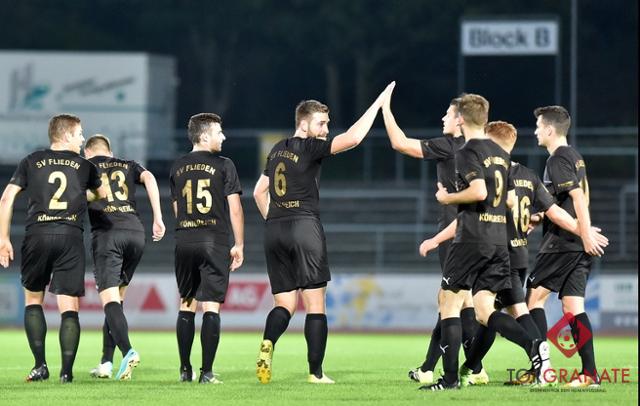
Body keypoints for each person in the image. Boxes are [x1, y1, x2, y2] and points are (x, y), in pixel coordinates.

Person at [419, 121, 607, 386]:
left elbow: (469, 218)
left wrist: (435, 239)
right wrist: (582, 230)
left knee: (488, 311)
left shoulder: (491, 174)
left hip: (496, 252)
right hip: (520, 254)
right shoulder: (529, 175)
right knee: (514, 310)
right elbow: (553, 212)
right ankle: (475, 368)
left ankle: (535, 355)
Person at [252, 82, 395, 384]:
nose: (326, 130)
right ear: (303, 124)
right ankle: (315, 373)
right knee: (315, 305)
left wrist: (273, 219)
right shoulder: (309, 147)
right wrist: (379, 103)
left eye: (327, 124)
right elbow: (353, 138)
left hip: (274, 230)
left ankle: (267, 344)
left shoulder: (276, 150)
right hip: (304, 226)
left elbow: (258, 192)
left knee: (284, 305)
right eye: (321, 123)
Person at [418, 94, 551, 391]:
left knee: (449, 303)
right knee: (483, 310)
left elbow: (478, 192)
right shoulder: (501, 154)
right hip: (498, 241)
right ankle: (533, 346)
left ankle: (449, 379)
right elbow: (509, 200)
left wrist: (447, 198)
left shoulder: (467, 151)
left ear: (461, 119)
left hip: (471, 238)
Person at [382, 89, 484, 385]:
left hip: (455, 233)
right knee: (462, 301)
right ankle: (462, 368)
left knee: (451, 301)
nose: (442, 118)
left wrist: (386, 109)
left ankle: (460, 369)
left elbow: (400, 144)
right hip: (481, 232)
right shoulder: (483, 148)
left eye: (448, 114)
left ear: (460, 120)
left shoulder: (450, 146)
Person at [0, 114, 104, 383]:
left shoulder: (31, 161)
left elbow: (7, 198)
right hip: (70, 236)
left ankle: (40, 366)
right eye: (79, 134)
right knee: (69, 307)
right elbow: (101, 194)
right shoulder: (85, 165)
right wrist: (81, 194)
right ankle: (66, 373)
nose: (82, 139)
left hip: (37, 235)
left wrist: (3, 239)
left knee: (33, 301)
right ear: (66, 135)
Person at [526, 106, 602, 388]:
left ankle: (541, 370)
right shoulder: (575, 156)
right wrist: (539, 217)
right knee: (572, 306)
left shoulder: (557, 159)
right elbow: (567, 200)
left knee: (533, 299)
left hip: (561, 244)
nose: (535, 131)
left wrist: (585, 233)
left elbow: (578, 198)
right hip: (576, 243)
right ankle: (589, 374)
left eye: (538, 126)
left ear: (549, 129)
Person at [83, 134, 166, 380]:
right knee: (116, 301)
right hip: (135, 233)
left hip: (108, 233)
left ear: (88, 152)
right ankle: (106, 363)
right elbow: (149, 177)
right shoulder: (128, 164)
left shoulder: (86, 166)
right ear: (110, 151)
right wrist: (158, 217)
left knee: (109, 300)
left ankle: (128, 351)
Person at [170, 113, 244, 384]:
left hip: (185, 239)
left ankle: (184, 370)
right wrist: (239, 244)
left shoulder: (177, 166)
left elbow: (177, 207)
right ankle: (207, 372)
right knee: (210, 306)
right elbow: (235, 208)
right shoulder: (224, 164)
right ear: (203, 136)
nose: (223, 136)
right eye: (218, 132)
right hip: (214, 240)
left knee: (186, 303)